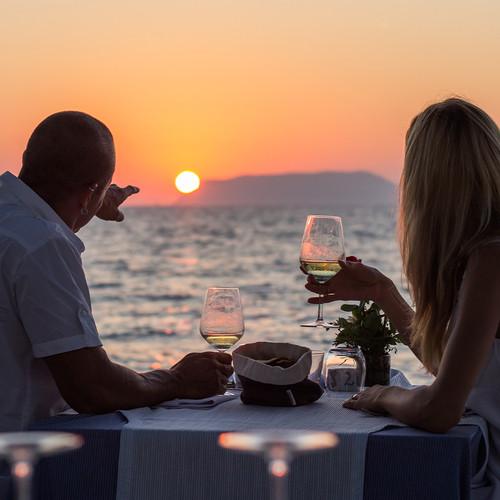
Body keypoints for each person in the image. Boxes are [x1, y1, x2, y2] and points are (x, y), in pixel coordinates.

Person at [306, 98, 500, 496]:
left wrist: (387, 395)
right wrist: (383, 292)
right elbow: (455, 372)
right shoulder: (485, 252)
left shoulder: (492, 258)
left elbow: (439, 411)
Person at [0, 111, 232, 432]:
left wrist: (90, 200)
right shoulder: (44, 245)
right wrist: (175, 379)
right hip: (20, 463)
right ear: (87, 195)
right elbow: (92, 389)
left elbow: (40, 221)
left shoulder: (17, 224)